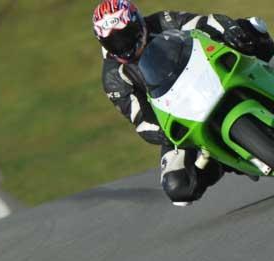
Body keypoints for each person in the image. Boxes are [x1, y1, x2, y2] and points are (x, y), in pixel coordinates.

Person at [93, 1, 274, 205]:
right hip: (179, 111)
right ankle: (222, 160)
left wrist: (230, 29)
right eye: (114, 42)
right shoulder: (113, 77)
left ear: (139, 23)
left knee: (251, 28)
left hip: (205, 74)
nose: (123, 46)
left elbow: (205, 22)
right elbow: (141, 120)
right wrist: (162, 131)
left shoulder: (162, 21)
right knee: (178, 185)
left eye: (127, 35)